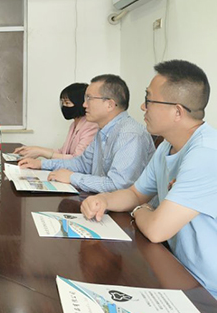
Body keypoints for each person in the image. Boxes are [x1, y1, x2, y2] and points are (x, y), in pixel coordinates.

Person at [81, 60, 217, 298]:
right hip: (177, 270)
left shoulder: (206, 153)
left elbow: (156, 230)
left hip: (207, 291)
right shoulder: (167, 146)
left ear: (177, 111)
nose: (143, 106)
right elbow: (135, 193)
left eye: (149, 100)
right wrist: (103, 200)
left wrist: (139, 210)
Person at [19, 74, 154, 193]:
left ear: (109, 105)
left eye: (89, 98)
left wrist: (72, 177)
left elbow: (118, 185)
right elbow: (82, 164)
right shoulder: (103, 130)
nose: (84, 105)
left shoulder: (129, 135)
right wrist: (41, 164)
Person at [14, 83, 98, 159]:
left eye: (67, 103)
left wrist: (41, 152)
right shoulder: (74, 125)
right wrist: (34, 149)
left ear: (80, 103)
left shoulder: (91, 126)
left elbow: (77, 159)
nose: (64, 106)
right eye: (63, 102)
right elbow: (62, 152)